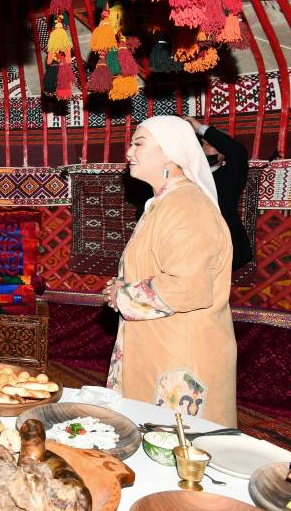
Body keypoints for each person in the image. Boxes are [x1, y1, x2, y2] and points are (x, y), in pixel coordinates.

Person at [101, 115, 237, 427]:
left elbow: (186, 286)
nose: (129, 152)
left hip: (180, 355)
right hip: (161, 344)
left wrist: (122, 295)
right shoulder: (165, 203)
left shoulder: (186, 206)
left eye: (139, 143)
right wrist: (122, 286)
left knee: (178, 450)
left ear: (170, 153)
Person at [184, 115, 253, 270]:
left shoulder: (230, 176)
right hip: (191, 245)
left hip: (222, 242)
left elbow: (237, 151)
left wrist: (200, 128)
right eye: (203, 145)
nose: (205, 148)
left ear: (224, 153)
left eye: (211, 145)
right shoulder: (187, 176)